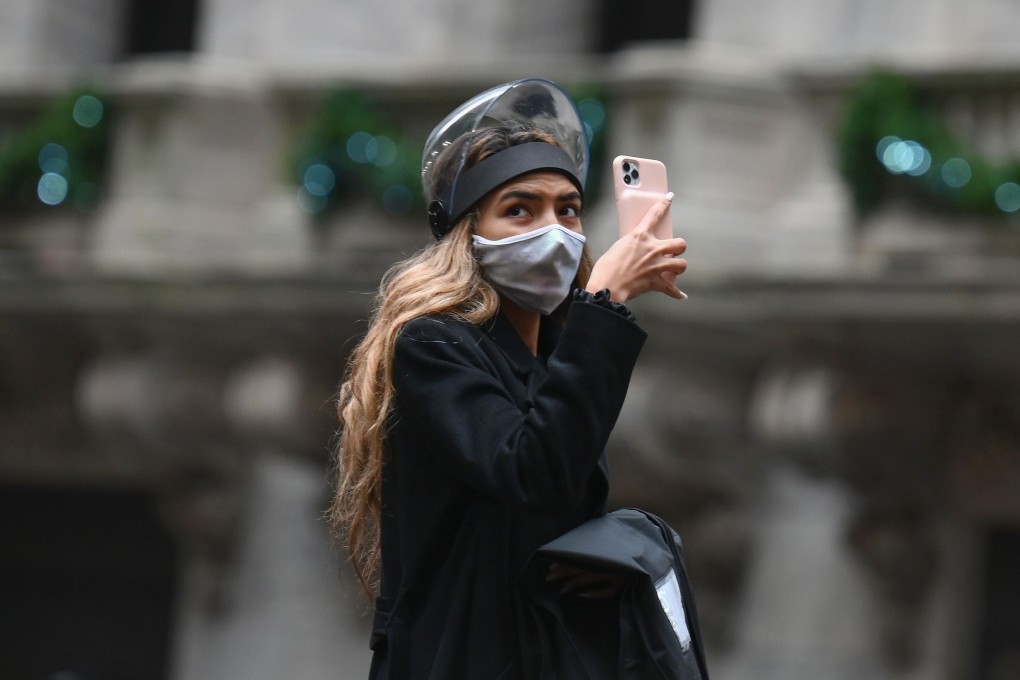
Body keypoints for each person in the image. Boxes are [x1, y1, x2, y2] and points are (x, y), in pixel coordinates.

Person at [328, 78, 688, 680]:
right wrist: (603, 302)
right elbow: (532, 471)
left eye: (567, 209)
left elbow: (551, 506)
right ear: (468, 233)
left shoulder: (558, 354)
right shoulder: (433, 343)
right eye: (519, 209)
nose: (553, 229)